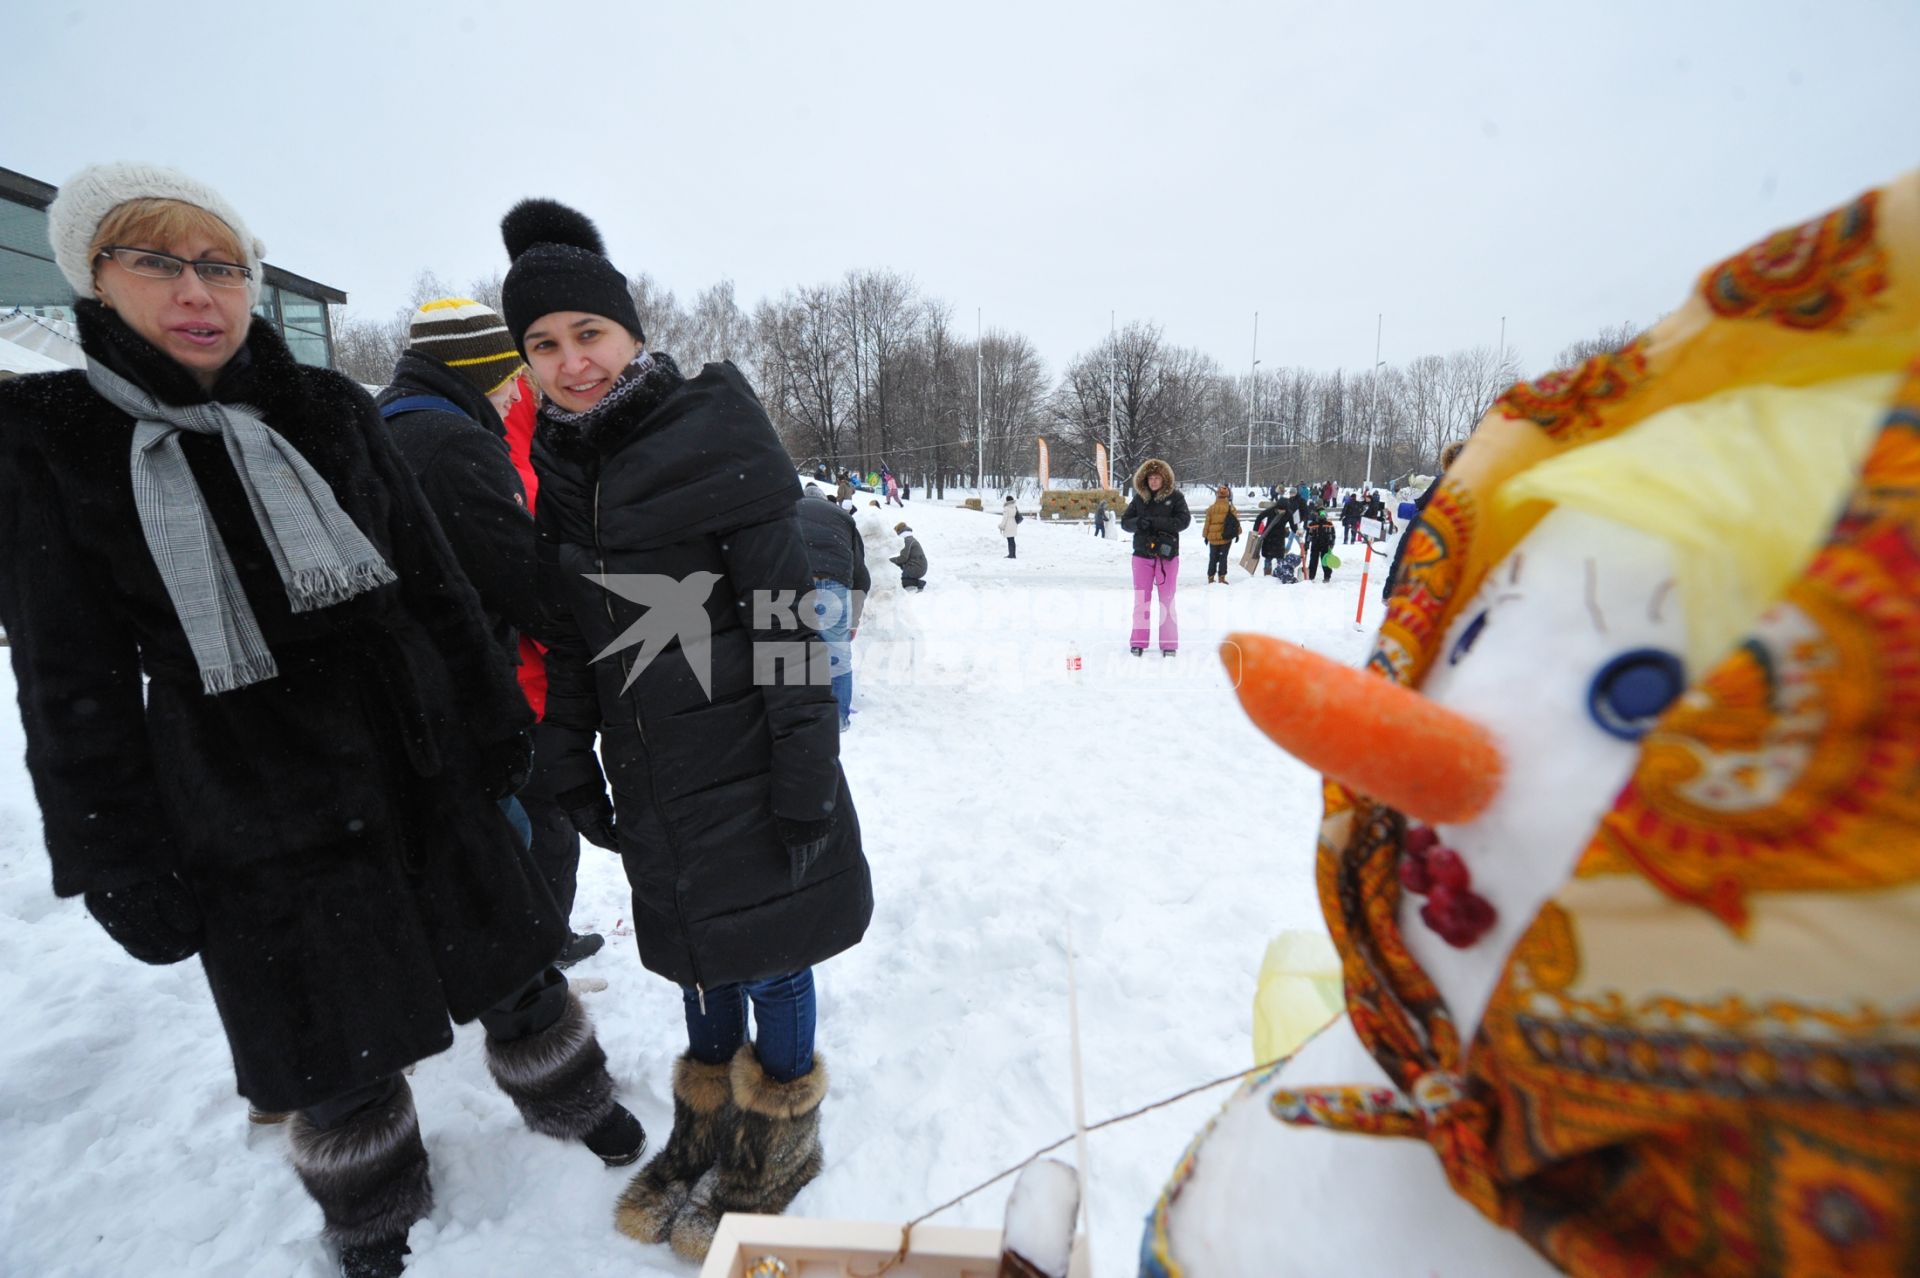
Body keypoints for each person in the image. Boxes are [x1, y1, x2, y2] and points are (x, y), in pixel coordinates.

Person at [0, 164, 641, 1278]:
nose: (197, 291)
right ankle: (371, 1194)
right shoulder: (54, 440)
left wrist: (493, 720)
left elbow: (432, 581)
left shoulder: (327, 406)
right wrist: (110, 850)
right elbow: (69, 673)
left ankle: (569, 1098)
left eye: (221, 265)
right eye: (156, 262)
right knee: (322, 1026)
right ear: (93, 279)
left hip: (416, 746)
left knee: (511, 956)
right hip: (243, 787)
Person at [499, 198, 872, 1265]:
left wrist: (807, 772)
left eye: (590, 335)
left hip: (754, 760)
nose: (572, 363)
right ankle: (707, 1119)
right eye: (544, 345)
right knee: (698, 959)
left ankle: (779, 1135)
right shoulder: (567, 473)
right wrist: (566, 759)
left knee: (771, 956)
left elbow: (792, 625)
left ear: (632, 332)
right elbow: (575, 637)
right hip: (655, 771)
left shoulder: (713, 431)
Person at [375, 300, 603, 969]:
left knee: (490, 834)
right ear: (476, 371)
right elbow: (524, 583)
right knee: (541, 831)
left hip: (410, 686)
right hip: (464, 688)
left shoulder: (388, 421)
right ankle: (528, 965)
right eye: (509, 377)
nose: (515, 394)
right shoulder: (457, 447)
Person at [797, 483, 870, 731]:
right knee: (838, 656)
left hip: (793, 584)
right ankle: (838, 721)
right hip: (834, 585)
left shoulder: (787, 509)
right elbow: (862, 576)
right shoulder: (842, 516)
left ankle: (799, 717)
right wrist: (853, 622)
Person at [1120, 458, 1190, 655]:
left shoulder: (1175, 498)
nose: (1153, 481)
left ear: (1164, 479)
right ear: (1145, 479)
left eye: (1157, 478)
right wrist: (1139, 523)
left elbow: (1183, 521)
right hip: (1142, 556)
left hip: (1167, 557)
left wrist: (1157, 522)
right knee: (1141, 600)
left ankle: (1169, 644)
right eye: (1150, 478)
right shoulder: (1139, 498)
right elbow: (1125, 522)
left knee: (1167, 600)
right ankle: (1138, 642)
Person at [1202, 483, 1241, 584]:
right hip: (1225, 537)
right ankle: (1222, 578)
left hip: (1213, 538)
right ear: (1227, 495)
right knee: (1223, 557)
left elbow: (1207, 523)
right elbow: (1235, 522)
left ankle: (1210, 577)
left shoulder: (1211, 509)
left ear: (1217, 495)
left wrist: (1205, 536)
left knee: (1213, 558)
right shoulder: (1230, 508)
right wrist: (1237, 533)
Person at [1253, 494, 1296, 577]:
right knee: (1268, 558)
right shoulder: (1271, 510)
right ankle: (1267, 575)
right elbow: (1259, 517)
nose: (1281, 511)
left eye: (1283, 510)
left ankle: (1280, 573)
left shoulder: (1288, 513)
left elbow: (1293, 525)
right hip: (1268, 537)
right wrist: (1255, 530)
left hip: (1279, 538)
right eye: (1279, 509)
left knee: (1280, 558)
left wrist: (1297, 530)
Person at [892, 521, 928, 591]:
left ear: (898, 531)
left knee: (897, 579)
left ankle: (918, 583)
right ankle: (913, 580)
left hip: (916, 568)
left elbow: (903, 558)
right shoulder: (909, 538)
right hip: (918, 567)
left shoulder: (906, 540)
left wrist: (889, 561)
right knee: (897, 575)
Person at [1305, 506, 1338, 582]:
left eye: (1323, 513)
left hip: (1325, 545)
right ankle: (1311, 576)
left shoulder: (1329, 524)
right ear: (1317, 514)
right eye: (1320, 513)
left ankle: (1327, 576)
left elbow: (1333, 535)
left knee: (1325, 561)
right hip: (1315, 544)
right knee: (1313, 561)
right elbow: (1308, 535)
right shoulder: (1312, 524)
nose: (1322, 515)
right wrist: (1306, 544)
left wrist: (1332, 543)